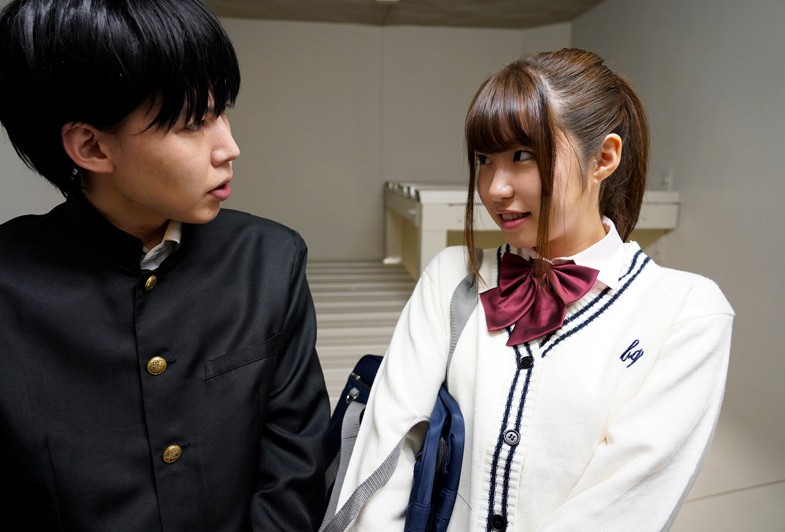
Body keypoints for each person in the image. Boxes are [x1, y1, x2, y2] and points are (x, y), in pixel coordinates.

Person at [335, 49, 734, 531]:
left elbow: (622, 507)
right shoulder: (452, 278)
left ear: (603, 158)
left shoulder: (687, 312)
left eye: (522, 156)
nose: (495, 188)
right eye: (484, 160)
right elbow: (386, 451)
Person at [0, 0, 329, 530]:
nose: (230, 147)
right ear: (91, 147)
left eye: (222, 111)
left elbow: (296, 470)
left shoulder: (269, 259)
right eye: (194, 123)